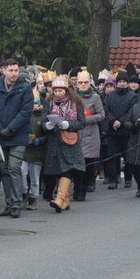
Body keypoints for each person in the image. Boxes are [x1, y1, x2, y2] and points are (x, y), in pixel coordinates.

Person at [0, 59, 35, 218]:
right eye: (11, 70)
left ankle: (16, 204)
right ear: (3, 70)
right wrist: (0, 128)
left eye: (16, 70)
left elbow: (25, 111)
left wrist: (11, 128)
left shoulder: (25, 88)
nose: (14, 73)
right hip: (1, 135)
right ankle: (9, 203)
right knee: (4, 170)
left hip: (18, 136)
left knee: (14, 168)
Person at [42, 76, 86, 212]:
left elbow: (82, 122)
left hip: (69, 140)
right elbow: (43, 121)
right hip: (54, 141)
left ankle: (60, 198)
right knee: (56, 170)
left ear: (66, 90)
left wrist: (68, 124)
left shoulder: (75, 102)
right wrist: (47, 125)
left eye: (60, 91)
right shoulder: (48, 102)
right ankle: (65, 200)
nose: (57, 93)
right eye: (55, 91)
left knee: (67, 169)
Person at [103, 72, 139, 188]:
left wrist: (121, 122)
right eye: (119, 82)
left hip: (126, 131)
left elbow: (132, 111)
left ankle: (128, 178)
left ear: (127, 83)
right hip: (112, 130)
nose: (122, 84)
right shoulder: (110, 95)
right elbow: (106, 110)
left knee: (128, 156)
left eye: (124, 82)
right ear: (116, 83)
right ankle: (113, 180)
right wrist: (113, 121)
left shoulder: (132, 96)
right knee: (112, 156)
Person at [75, 71, 104, 200]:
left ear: (89, 83)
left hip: (90, 135)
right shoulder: (72, 96)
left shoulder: (95, 97)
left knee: (87, 165)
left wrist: (87, 119)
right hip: (75, 134)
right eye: (80, 82)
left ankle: (83, 191)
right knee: (75, 165)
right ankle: (76, 189)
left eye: (85, 82)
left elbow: (101, 115)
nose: (82, 84)